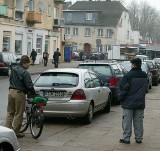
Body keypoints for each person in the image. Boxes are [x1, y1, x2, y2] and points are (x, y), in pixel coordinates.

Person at [5, 55, 37, 138]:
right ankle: (15, 132)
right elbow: (29, 86)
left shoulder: (14, 69)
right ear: (24, 63)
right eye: (28, 63)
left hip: (11, 91)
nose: (29, 64)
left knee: (10, 112)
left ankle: (7, 131)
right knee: (19, 113)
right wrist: (34, 94)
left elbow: (10, 79)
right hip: (19, 93)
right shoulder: (25, 72)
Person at [119, 58, 148, 144]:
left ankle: (126, 138)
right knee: (138, 121)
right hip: (140, 102)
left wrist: (120, 98)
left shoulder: (128, 75)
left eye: (132, 64)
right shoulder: (144, 75)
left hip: (128, 103)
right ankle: (139, 138)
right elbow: (146, 89)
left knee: (127, 121)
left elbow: (123, 88)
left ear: (134, 65)